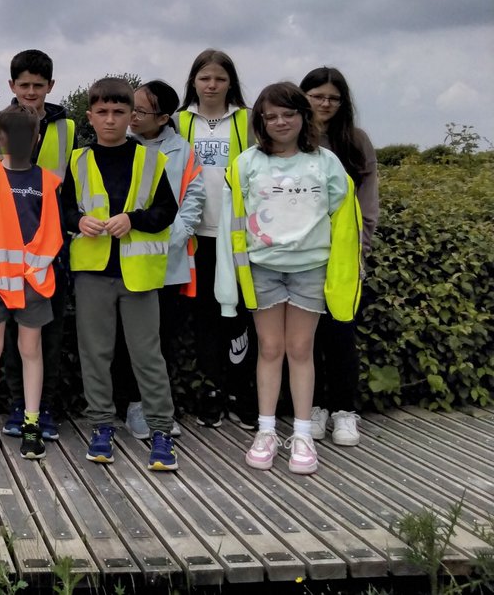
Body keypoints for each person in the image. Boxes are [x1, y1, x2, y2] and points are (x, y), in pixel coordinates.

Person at [216, 83, 361, 476]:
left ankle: (302, 436)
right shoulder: (246, 163)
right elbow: (233, 223)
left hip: (311, 269)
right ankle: (265, 431)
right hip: (262, 268)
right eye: (271, 115)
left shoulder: (326, 162)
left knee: (301, 350)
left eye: (289, 114)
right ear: (261, 121)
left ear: (303, 117)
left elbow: (340, 217)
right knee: (269, 349)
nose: (281, 122)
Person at [69, 78, 180, 472]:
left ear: (132, 116)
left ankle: (161, 430)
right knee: (95, 354)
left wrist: (132, 219)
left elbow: (167, 211)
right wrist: (78, 221)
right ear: (90, 117)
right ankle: (102, 425)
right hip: (92, 273)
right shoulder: (77, 160)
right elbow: (64, 210)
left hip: (139, 275)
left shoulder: (152, 159)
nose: (111, 120)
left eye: (119, 112)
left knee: (148, 355)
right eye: (103, 112)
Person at [0, 49, 75, 441]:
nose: (31, 92)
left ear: (51, 86)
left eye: (39, 86)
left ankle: (43, 409)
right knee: (6, 337)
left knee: (44, 337)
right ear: (12, 86)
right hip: (4, 257)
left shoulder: (67, 128)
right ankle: (17, 407)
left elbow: (74, 184)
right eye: (24, 85)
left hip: (50, 251)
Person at [0, 104, 64, 460]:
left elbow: (54, 233)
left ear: (36, 139)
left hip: (34, 282)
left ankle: (32, 423)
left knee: (31, 351)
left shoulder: (48, 181)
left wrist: (36, 272)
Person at [113, 80, 205, 440]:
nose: (132, 115)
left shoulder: (183, 151)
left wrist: (166, 239)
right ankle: (132, 406)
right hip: (126, 260)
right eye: (129, 107)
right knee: (126, 340)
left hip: (166, 263)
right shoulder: (120, 146)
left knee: (161, 339)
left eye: (140, 110)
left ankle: (157, 407)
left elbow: (193, 201)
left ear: (164, 117)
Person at [178, 49, 257, 429]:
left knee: (241, 316)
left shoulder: (248, 120)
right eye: (204, 78)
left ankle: (241, 391)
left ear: (231, 83)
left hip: (239, 237)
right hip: (197, 237)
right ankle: (211, 390)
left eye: (219, 79)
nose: (211, 85)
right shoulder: (180, 122)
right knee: (206, 316)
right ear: (193, 81)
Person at [300, 67, 379, 447]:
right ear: (304, 97)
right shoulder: (293, 139)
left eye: (333, 97)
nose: (325, 103)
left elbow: (368, 198)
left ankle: (344, 410)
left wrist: (360, 247)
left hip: (345, 255)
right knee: (306, 338)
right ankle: (314, 407)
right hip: (301, 254)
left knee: (341, 333)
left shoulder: (355, 140)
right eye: (318, 96)